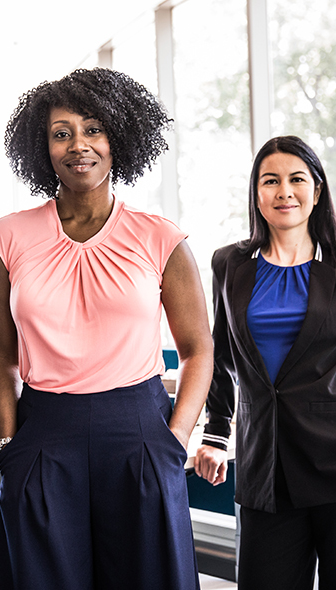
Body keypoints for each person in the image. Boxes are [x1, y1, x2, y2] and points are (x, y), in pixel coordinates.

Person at [0, 68, 213, 590]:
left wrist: (175, 440)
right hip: (43, 431)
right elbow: (4, 356)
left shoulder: (160, 237)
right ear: (42, 147)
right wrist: (7, 445)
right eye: (61, 133)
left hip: (139, 430)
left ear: (119, 138)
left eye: (93, 129)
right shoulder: (7, 236)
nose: (78, 145)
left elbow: (199, 350)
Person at [194, 135, 336, 590]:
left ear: (317, 189)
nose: (284, 192)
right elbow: (218, 355)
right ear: (256, 193)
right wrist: (215, 435)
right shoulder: (230, 264)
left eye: (297, 179)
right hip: (264, 466)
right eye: (270, 181)